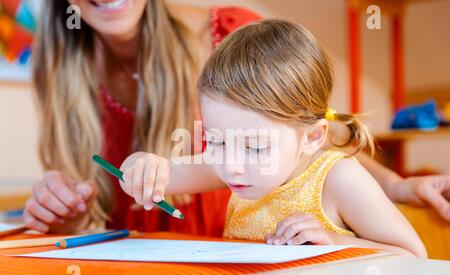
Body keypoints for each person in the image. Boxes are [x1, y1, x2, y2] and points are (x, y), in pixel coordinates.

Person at [119, 19, 427, 257]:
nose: (231, 166)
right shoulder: (231, 167)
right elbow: (161, 174)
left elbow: (413, 255)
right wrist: (141, 166)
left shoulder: (338, 179)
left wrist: (337, 242)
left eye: (254, 146)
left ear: (312, 137)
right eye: (215, 141)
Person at [23, 0, 260, 235]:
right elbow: (94, 213)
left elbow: (292, 172)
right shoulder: (59, 66)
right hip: (130, 271)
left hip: (248, 269)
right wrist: (69, 217)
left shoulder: (243, 37)